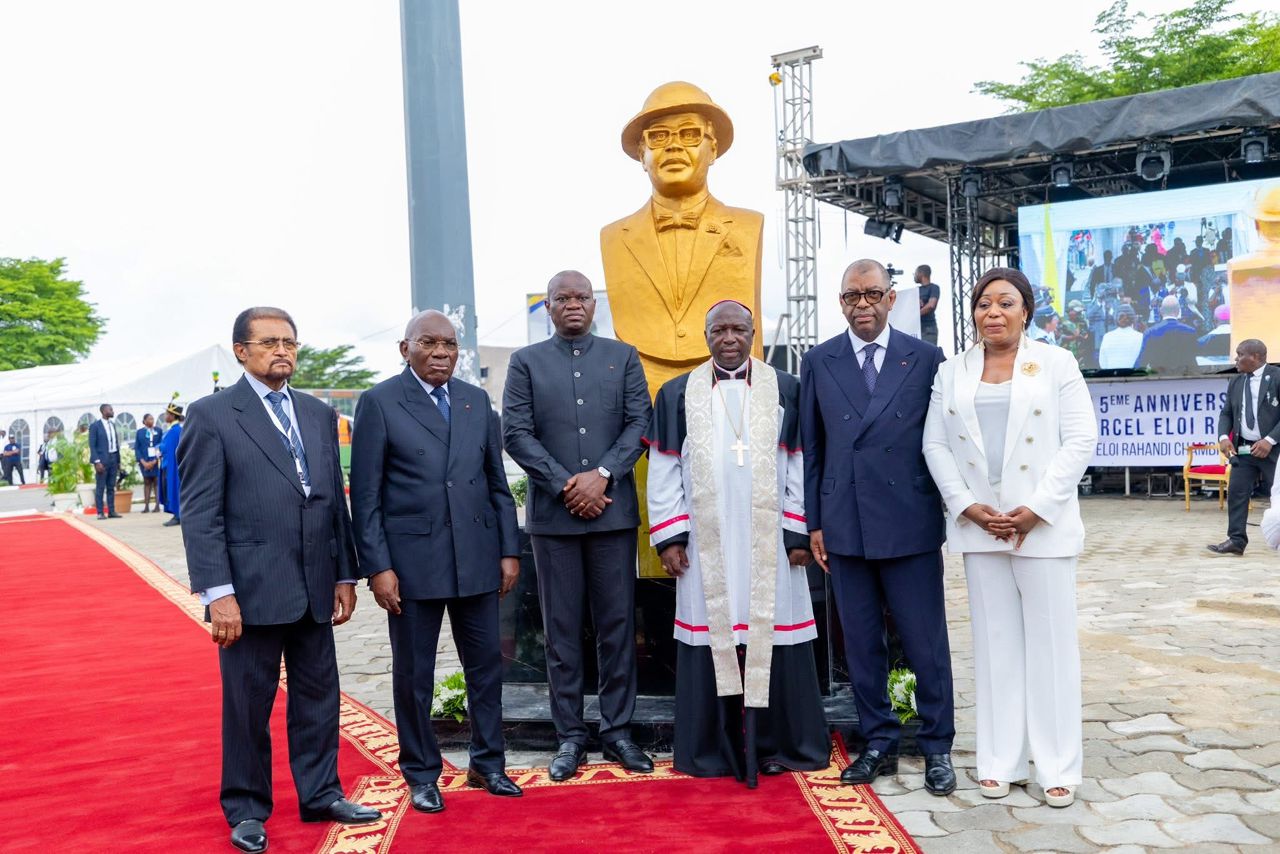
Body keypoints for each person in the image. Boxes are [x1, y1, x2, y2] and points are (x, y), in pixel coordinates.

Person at [178, 307, 379, 854]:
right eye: (269, 342)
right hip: (248, 592)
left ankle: (321, 794)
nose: (282, 351)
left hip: (316, 586)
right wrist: (218, 594)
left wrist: (344, 572)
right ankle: (245, 809)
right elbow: (201, 513)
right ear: (241, 351)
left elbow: (330, 498)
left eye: (289, 342)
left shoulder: (315, 414)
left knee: (319, 699)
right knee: (247, 705)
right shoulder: (212, 415)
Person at [923, 267, 1096, 808]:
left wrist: (1036, 509)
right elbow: (935, 446)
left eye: (1005, 303)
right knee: (994, 647)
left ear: (1026, 312)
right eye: (982, 303)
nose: (992, 312)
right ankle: (1000, 760)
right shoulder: (952, 371)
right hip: (981, 528)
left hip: (1040, 527)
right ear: (972, 312)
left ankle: (1057, 766)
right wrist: (969, 508)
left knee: (1050, 649)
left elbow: (1080, 438)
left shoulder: (1057, 362)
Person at [647, 300, 828, 787]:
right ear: (705, 335)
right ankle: (712, 749)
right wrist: (670, 537)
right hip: (707, 546)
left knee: (778, 635)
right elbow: (663, 471)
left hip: (771, 544)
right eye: (718, 330)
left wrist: (796, 533)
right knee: (711, 636)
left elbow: (798, 466)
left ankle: (780, 746)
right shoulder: (676, 393)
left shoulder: (784, 387)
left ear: (753, 333)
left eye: (738, 329)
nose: (728, 338)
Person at [349, 309, 523, 814]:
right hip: (411, 566)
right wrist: (378, 566)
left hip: (476, 557)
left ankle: (488, 764)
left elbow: (496, 483)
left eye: (450, 344)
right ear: (406, 349)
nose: (442, 352)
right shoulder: (380, 403)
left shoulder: (475, 400)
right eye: (429, 343)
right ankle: (421, 773)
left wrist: (508, 550)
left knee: (487, 668)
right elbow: (367, 495)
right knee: (414, 675)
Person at [799, 259, 956, 795]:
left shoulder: (927, 358)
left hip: (909, 521)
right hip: (844, 524)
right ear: (839, 302)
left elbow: (942, 441)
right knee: (861, 643)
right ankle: (878, 741)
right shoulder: (819, 361)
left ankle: (937, 746)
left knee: (923, 640)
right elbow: (812, 450)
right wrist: (813, 524)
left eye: (871, 294)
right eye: (850, 297)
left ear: (892, 298)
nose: (861, 304)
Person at [502, 271, 654, 782]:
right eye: (562, 297)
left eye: (581, 297)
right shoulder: (525, 363)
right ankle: (569, 737)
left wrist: (603, 476)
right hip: (554, 519)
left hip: (613, 515)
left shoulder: (623, 356)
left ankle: (618, 732)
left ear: (594, 304)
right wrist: (568, 484)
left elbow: (640, 424)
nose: (572, 304)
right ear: (547, 306)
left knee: (617, 627)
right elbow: (516, 433)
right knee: (561, 630)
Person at [601, 81, 764, 396]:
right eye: (659, 136)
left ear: (713, 148)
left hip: (729, 395)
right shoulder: (613, 237)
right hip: (642, 402)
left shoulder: (747, 226)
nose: (673, 146)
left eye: (689, 134)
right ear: (641, 152)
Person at [1207, 340, 1280, 556]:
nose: (1236, 359)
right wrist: (1223, 437)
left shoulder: (1276, 377)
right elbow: (1226, 413)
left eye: (1240, 355)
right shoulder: (1236, 381)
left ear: (1256, 357)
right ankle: (1236, 540)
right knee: (1237, 492)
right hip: (1245, 451)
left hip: (1273, 449)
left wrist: (1270, 440)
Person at [1136, 295, 1199, 372]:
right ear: (1178, 311)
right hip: (1183, 380)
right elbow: (1193, 359)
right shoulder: (1191, 331)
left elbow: (1142, 362)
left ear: (1161, 311)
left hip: (1158, 380)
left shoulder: (1150, 332)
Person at [88, 403, 121, 518]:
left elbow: (116, 443)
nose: (112, 411)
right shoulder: (95, 426)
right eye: (110, 409)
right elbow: (92, 445)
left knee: (111, 487)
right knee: (100, 487)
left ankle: (111, 511)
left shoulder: (112, 424)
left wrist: (118, 461)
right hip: (102, 461)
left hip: (113, 458)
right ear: (103, 411)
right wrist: (96, 461)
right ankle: (100, 512)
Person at [159, 403, 184, 526]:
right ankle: (176, 514)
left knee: (174, 487)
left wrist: (160, 449)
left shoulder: (175, 431)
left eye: (167, 414)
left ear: (173, 416)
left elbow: (169, 448)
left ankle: (178, 515)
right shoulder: (172, 430)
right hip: (167, 464)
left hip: (172, 465)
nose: (165, 416)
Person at [1096, 304, 1144, 369]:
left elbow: (1102, 363)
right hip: (1133, 376)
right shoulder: (1141, 337)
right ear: (1133, 318)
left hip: (1112, 376)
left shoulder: (1107, 337)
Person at [135, 413, 162, 512]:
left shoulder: (158, 431)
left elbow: (160, 446)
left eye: (153, 419)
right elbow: (137, 448)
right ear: (144, 421)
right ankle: (146, 506)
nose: (152, 421)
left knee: (156, 482)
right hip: (144, 461)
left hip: (155, 460)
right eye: (150, 419)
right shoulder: (139, 432)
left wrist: (155, 460)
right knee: (147, 482)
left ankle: (157, 505)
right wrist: (143, 462)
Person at [915, 265, 940, 345]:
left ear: (921, 273)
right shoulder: (915, 290)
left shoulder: (933, 288)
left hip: (929, 329)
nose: (914, 276)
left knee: (928, 354)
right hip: (916, 329)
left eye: (915, 273)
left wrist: (915, 314)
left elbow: (931, 305)